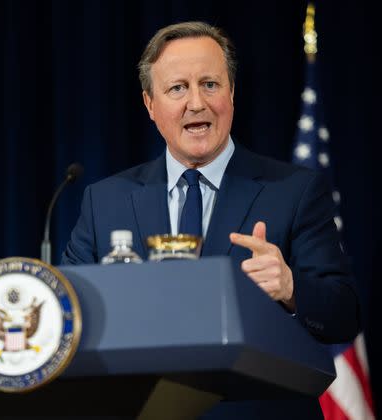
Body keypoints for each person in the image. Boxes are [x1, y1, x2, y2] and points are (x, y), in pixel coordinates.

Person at [61, 21, 360, 419]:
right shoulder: (105, 201)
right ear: (150, 104)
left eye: (210, 84)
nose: (196, 103)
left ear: (232, 94)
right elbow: (66, 316)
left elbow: (344, 315)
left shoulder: (294, 191)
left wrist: (291, 288)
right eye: (177, 88)